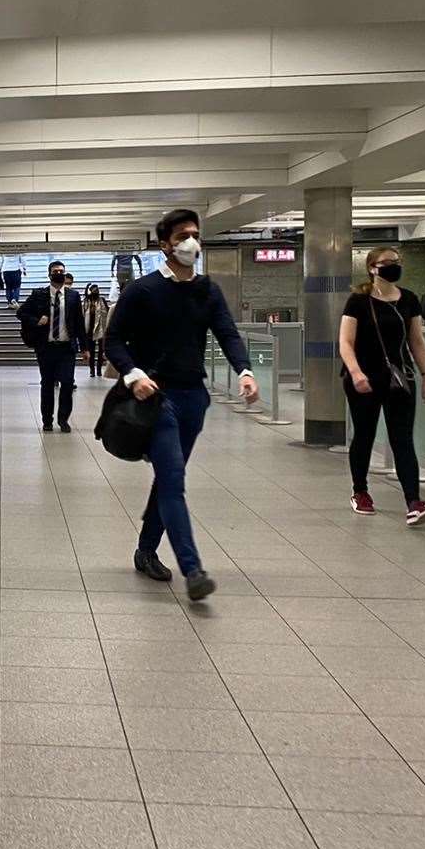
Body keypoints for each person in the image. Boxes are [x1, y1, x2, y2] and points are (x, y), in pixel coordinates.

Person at [106, 208, 257, 601]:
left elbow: (227, 332)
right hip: (156, 399)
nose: (192, 242)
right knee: (174, 481)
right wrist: (133, 374)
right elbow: (114, 340)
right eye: (183, 235)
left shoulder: (207, 290)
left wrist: (244, 370)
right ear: (165, 244)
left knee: (168, 478)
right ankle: (193, 570)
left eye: (195, 234)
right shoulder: (142, 290)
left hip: (194, 399)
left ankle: (144, 550)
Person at [341, 247, 425, 526]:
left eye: (397, 262)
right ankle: (360, 491)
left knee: (402, 438)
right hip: (364, 379)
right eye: (388, 263)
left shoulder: (408, 299)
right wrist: (356, 372)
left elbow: (417, 341)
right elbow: (345, 342)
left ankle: (414, 502)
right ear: (373, 267)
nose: (395, 267)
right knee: (365, 434)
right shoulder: (358, 301)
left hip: (400, 378)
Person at [18, 260, 88, 432]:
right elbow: (21, 313)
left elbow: (79, 323)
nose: (59, 274)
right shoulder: (39, 294)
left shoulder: (73, 296)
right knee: (47, 384)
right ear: (49, 274)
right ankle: (47, 420)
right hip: (46, 348)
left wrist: (85, 348)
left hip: (66, 348)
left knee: (67, 383)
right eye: (55, 271)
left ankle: (63, 419)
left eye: (62, 271)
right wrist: (36, 321)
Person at [85, 283, 111, 377]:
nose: (96, 291)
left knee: (101, 350)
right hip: (89, 329)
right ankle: (92, 370)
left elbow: (108, 312)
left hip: (101, 328)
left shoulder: (102, 300)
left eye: (97, 289)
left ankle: (99, 369)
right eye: (94, 289)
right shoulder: (86, 301)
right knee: (91, 351)